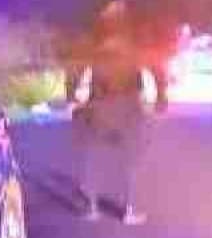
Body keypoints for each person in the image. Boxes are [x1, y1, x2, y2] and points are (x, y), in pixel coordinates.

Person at [66, 0, 167, 225]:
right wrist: (161, 97)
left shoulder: (93, 40)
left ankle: (91, 208)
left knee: (93, 157)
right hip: (127, 105)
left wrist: (72, 96)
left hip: (100, 103)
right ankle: (126, 210)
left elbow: (75, 67)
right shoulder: (135, 38)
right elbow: (155, 65)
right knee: (129, 158)